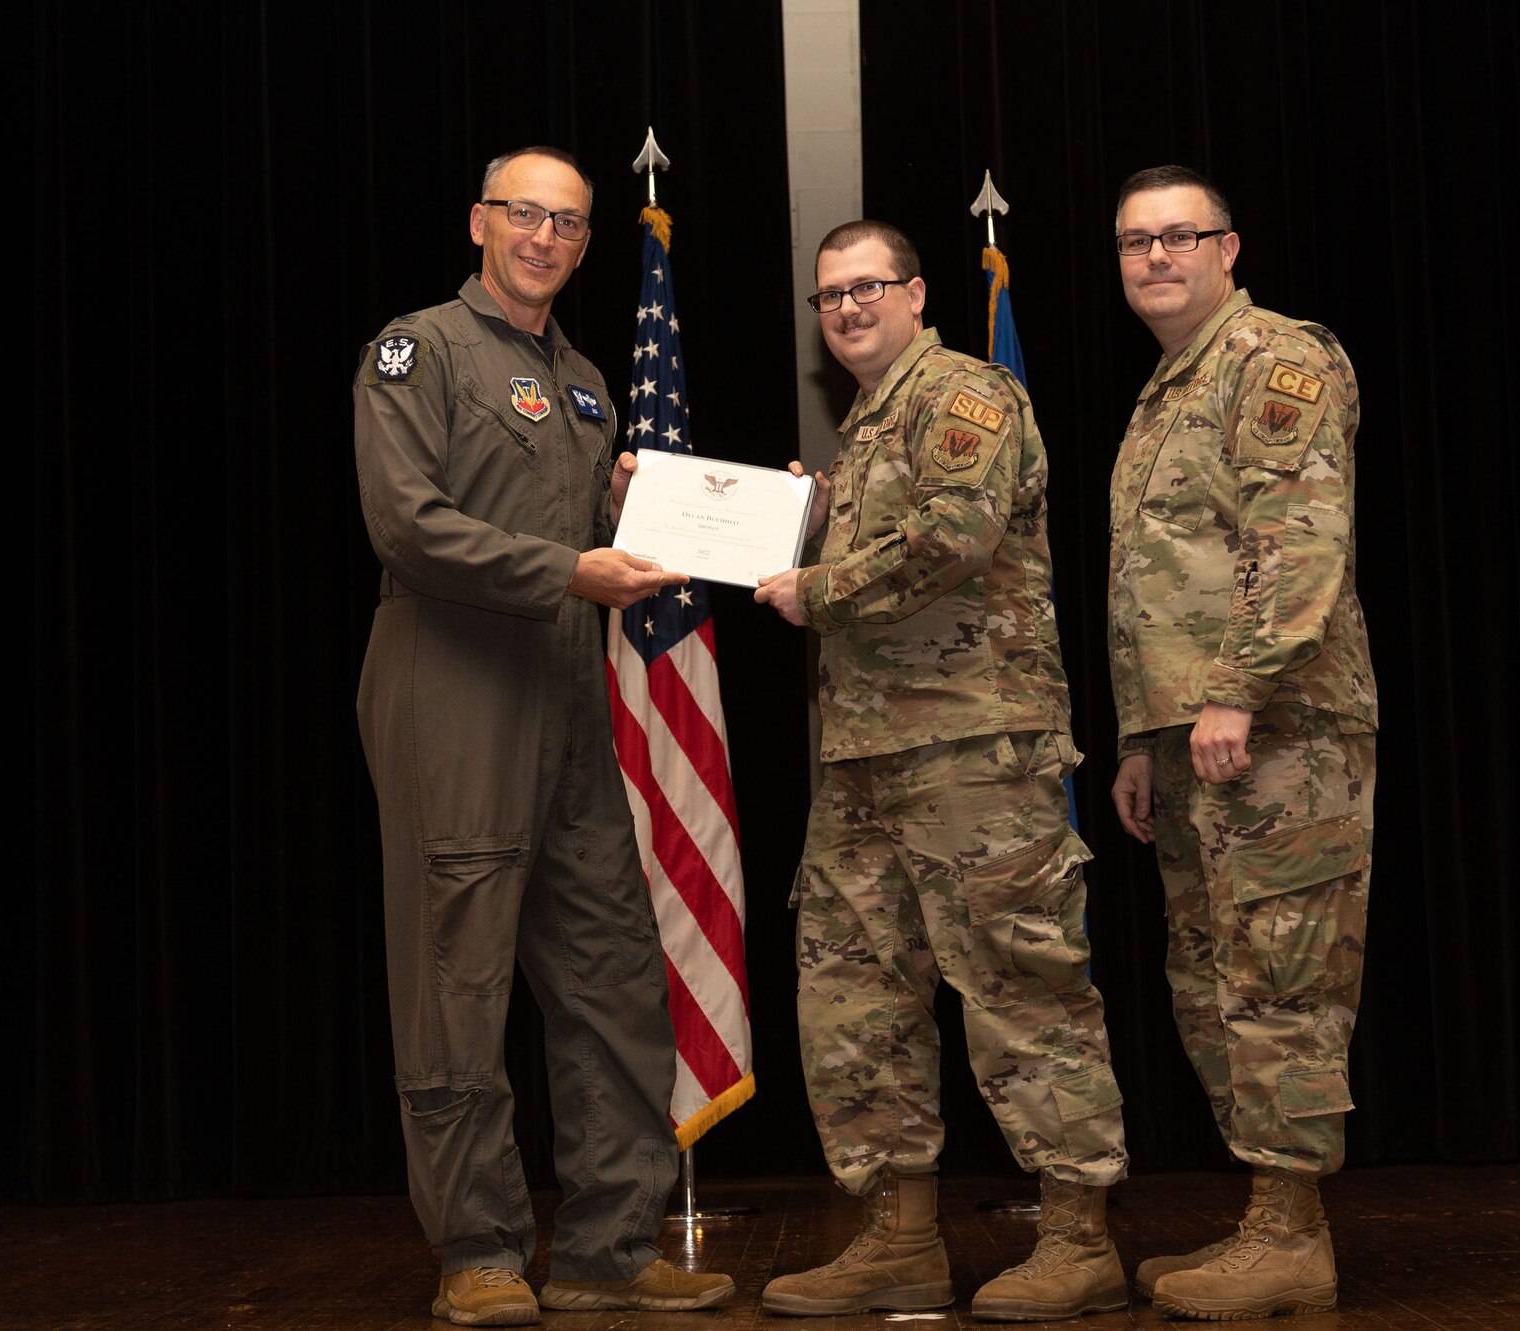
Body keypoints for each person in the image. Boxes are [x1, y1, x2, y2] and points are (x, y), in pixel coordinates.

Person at [353, 145, 733, 1326]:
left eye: (567, 224)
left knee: (614, 976)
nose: (544, 238)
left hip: (569, 696)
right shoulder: (415, 350)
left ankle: (608, 1250)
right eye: (524, 214)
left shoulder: (580, 381)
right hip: (453, 686)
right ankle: (476, 1246)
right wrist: (568, 563)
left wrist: (629, 510)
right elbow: (408, 525)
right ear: (480, 221)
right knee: (456, 980)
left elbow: (586, 541)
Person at [753, 220, 1129, 1321]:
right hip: (863, 756)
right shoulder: (865, 427)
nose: (849, 308)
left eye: (868, 286)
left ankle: (1076, 1236)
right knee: (853, 997)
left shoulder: (965, 395)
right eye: (829, 296)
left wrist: (812, 586)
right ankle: (899, 1237)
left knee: (1021, 986)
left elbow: (952, 535)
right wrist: (790, 517)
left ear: (918, 294)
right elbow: (886, 537)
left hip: (973, 747)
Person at [1104, 165, 1378, 1321]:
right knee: (1211, 978)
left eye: (1179, 236)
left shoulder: (1276, 357)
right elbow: (1157, 579)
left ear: (1226, 247)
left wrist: (1235, 692)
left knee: (1281, 974)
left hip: (1279, 730)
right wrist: (1139, 734)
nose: (1155, 258)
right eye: (1133, 242)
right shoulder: (1171, 385)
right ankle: (1269, 1221)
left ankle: (1288, 1235)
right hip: (1191, 734)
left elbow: (1296, 539)